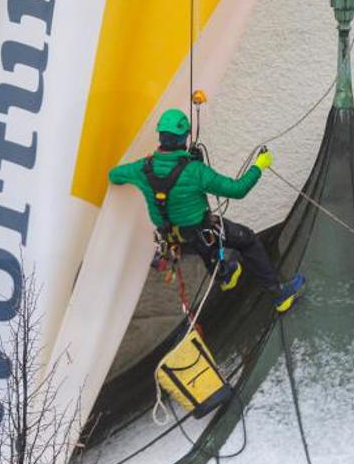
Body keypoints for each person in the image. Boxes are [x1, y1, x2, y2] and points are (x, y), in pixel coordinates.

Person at [108, 108, 306, 313]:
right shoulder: (196, 172)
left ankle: (225, 275)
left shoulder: (142, 168)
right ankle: (280, 294)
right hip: (201, 232)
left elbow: (114, 175)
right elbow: (238, 190)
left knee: (207, 247)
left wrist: (156, 165)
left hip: (173, 240)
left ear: (160, 136)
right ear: (184, 137)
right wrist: (259, 166)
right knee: (246, 239)